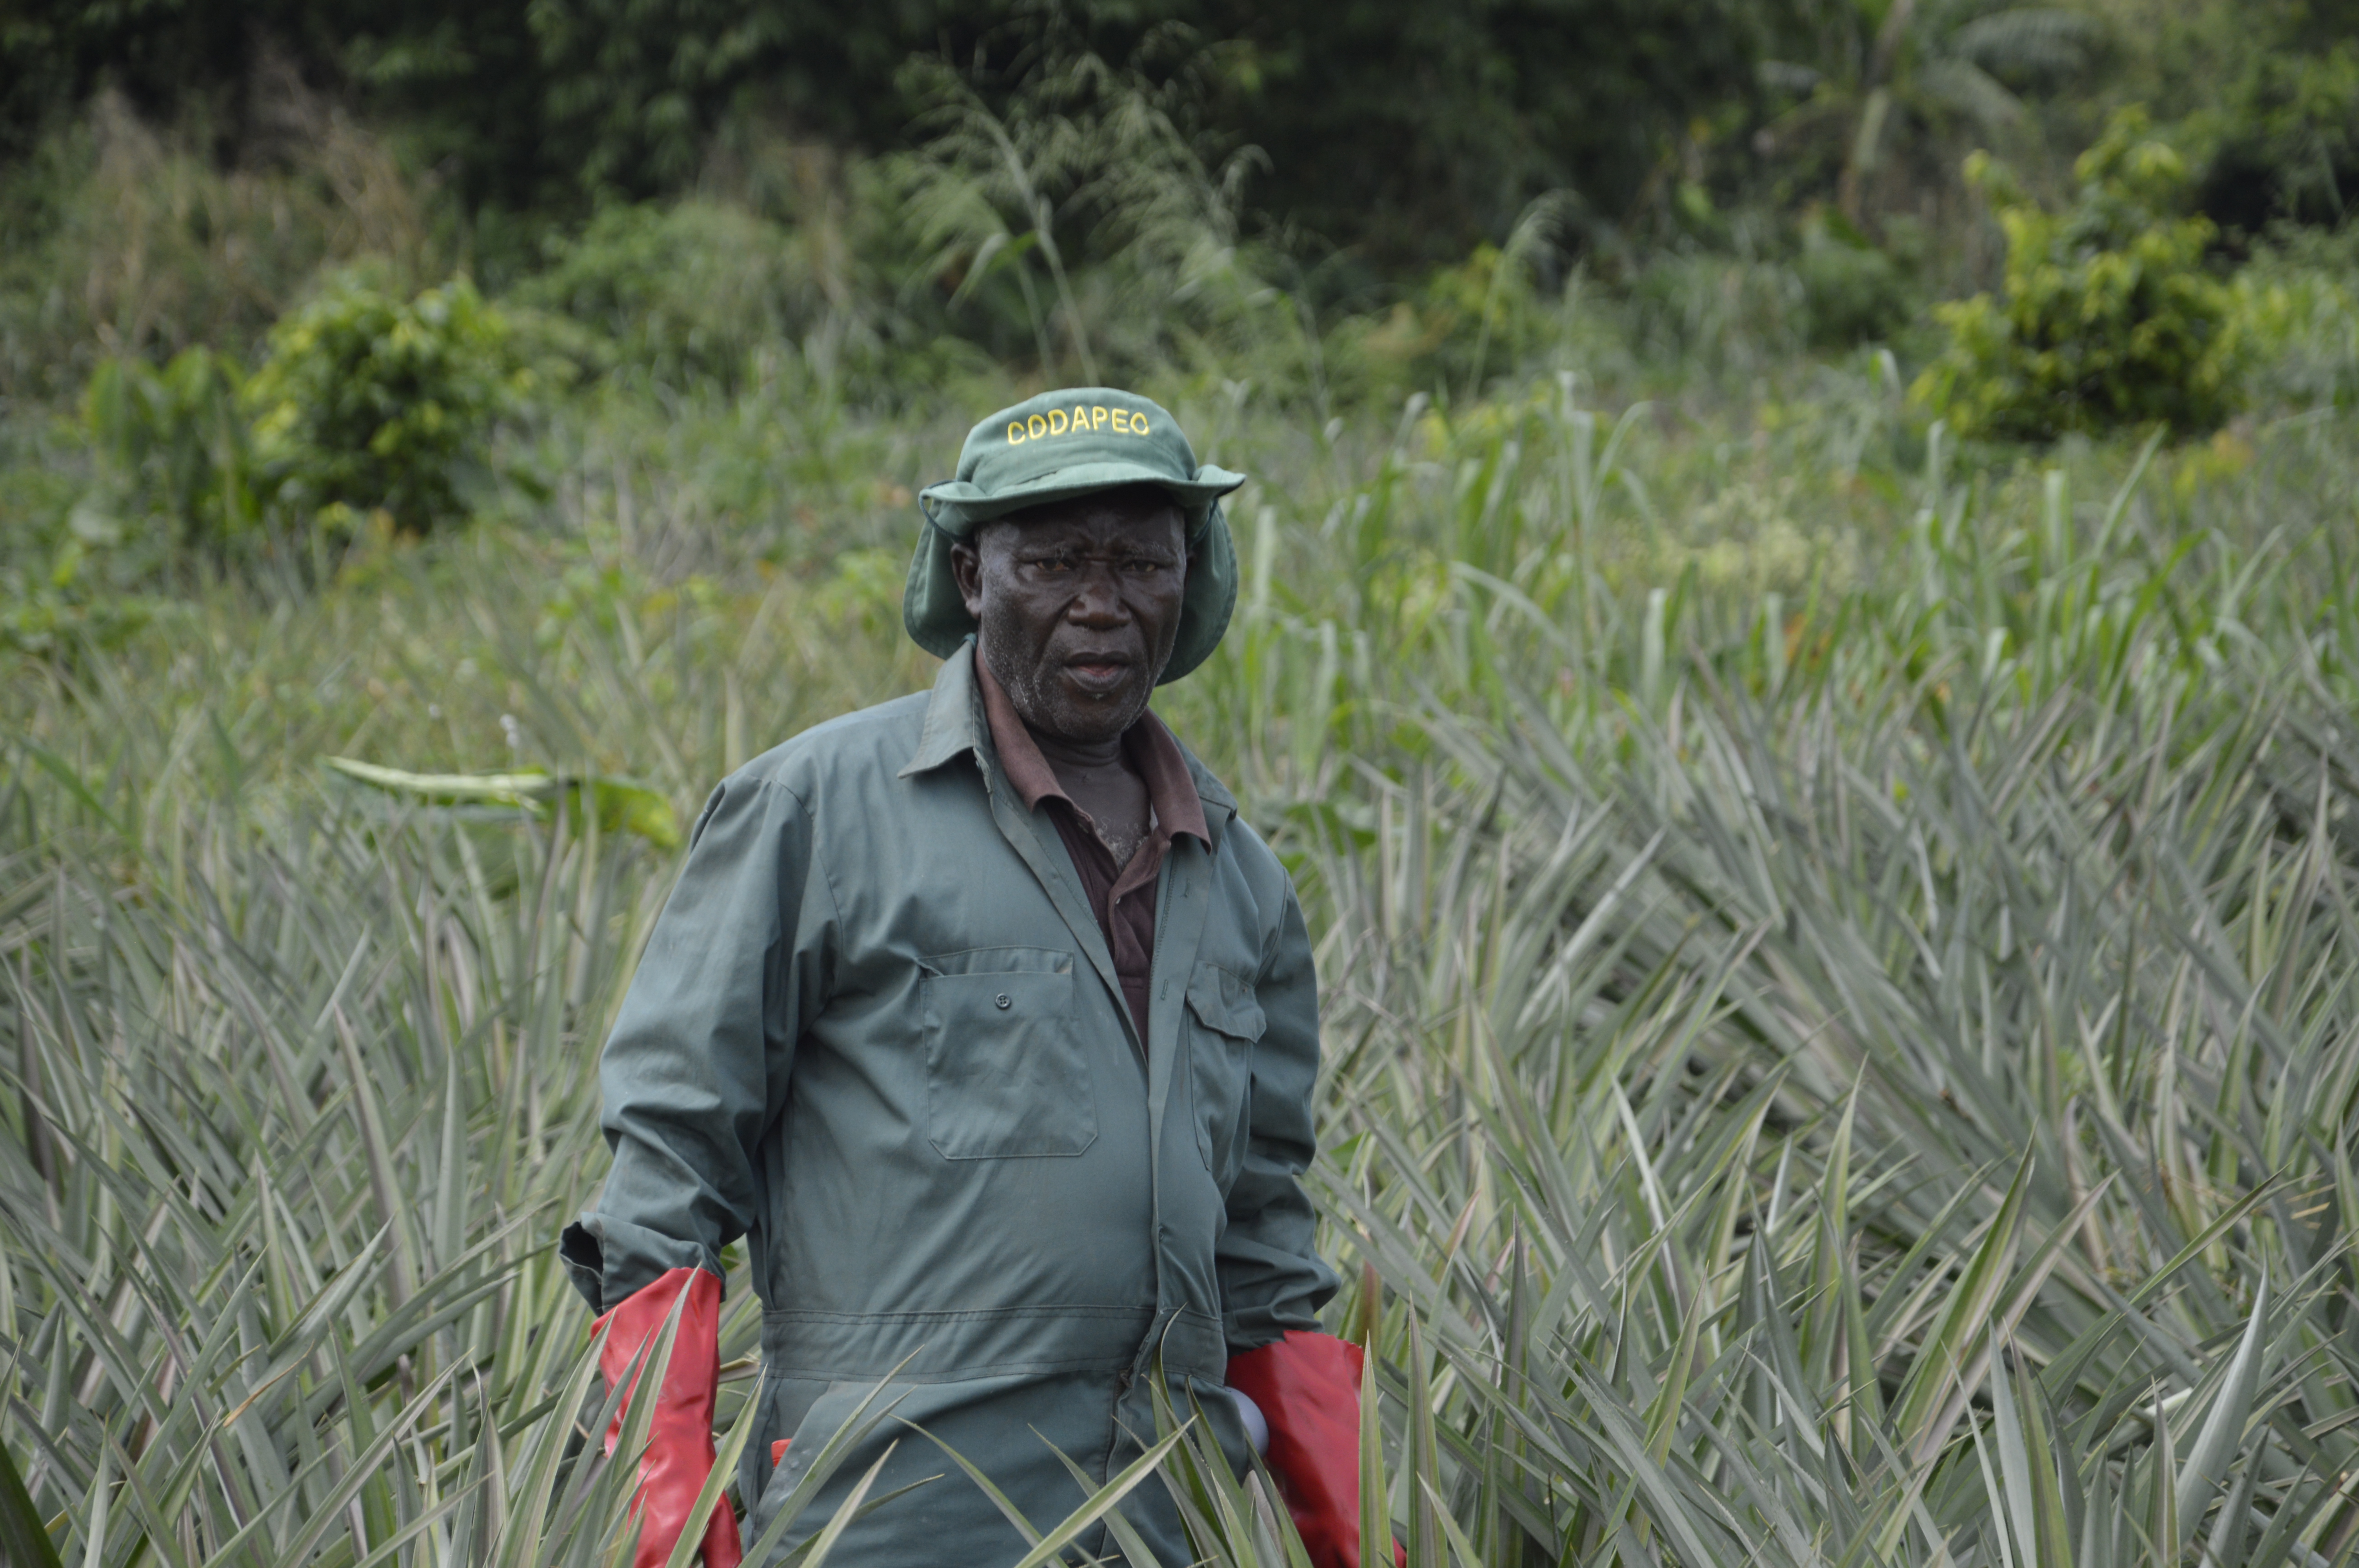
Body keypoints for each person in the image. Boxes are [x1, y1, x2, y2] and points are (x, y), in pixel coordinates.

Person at [562, 388, 1386, 1567]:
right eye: (1052, 561)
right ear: (969, 577)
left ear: (1189, 579)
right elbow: (669, 1173)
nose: (1101, 602)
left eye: (1141, 563)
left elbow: (1260, 1250)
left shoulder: (1238, 872)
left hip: (1167, 1526)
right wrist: (668, 1519)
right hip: (889, 1521)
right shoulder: (815, 811)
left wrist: (1355, 1531)